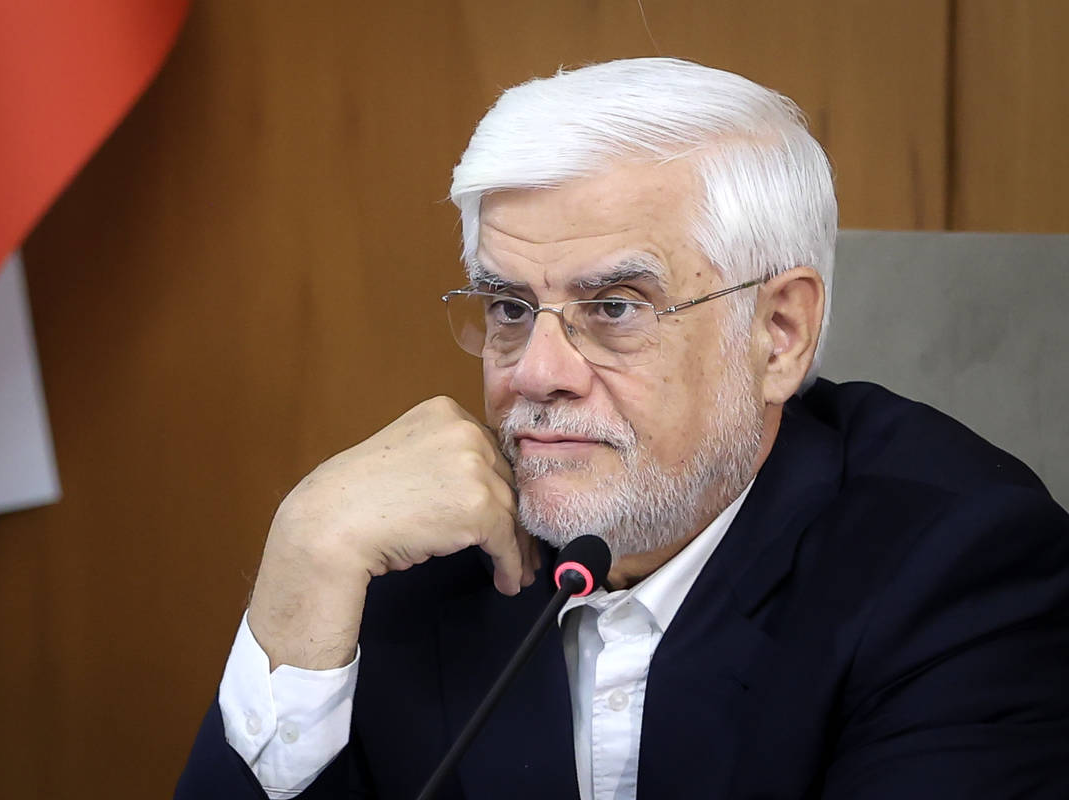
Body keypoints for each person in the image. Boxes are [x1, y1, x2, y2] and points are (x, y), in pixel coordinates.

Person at [176, 58, 1069, 799]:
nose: (536, 374)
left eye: (613, 307)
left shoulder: (958, 567)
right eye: (509, 307)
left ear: (778, 334)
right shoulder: (409, 547)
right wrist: (301, 563)